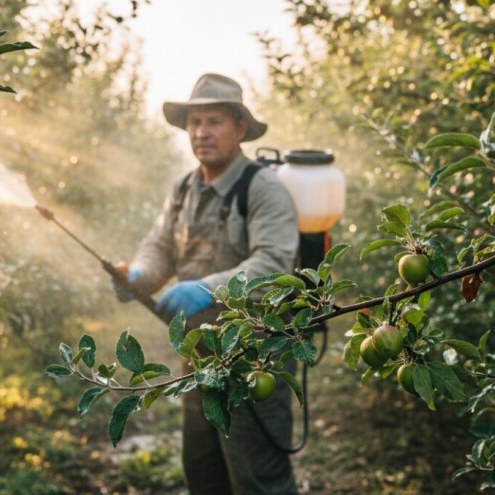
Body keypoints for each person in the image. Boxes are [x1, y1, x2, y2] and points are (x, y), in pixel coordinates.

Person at [115, 73, 300, 494]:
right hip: (201, 354)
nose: (202, 133)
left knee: (256, 474)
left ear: (239, 128)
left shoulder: (263, 189)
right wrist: (140, 274)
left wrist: (207, 288)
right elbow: (160, 246)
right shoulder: (184, 189)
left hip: (257, 357)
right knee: (202, 468)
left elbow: (273, 262)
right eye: (195, 123)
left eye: (214, 121)